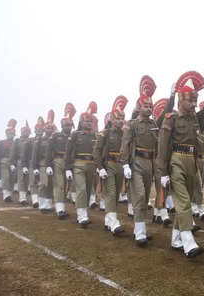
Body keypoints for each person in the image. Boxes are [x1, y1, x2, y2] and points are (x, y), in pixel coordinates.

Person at [157, 71, 204, 257]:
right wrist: (162, 172)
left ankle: (176, 239)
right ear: (180, 101)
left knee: (187, 201)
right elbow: (162, 147)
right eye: (190, 101)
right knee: (183, 202)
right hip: (176, 160)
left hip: (192, 162)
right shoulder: (171, 119)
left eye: (195, 101)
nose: (194, 105)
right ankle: (188, 241)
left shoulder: (195, 119)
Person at [121, 76, 159, 245]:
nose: (149, 108)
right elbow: (125, 144)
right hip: (136, 163)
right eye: (146, 105)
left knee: (144, 199)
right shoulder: (133, 124)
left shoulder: (154, 124)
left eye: (151, 105)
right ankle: (140, 233)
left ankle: (140, 229)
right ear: (139, 106)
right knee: (139, 195)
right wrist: (125, 164)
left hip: (149, 163)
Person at [94, 96, 128, 235]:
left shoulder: (125, 134)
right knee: (111, 192)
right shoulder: (105, 133)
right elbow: (96, 151)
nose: (120, 121)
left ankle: (108, 220)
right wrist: (100, 168)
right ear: (112, 119)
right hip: (109, 165)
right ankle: (114, 222)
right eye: (118, 119)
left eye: (122, 118)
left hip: (120, 165)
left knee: (115, 196)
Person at [65, 102, 98, 227]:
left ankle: (84, 212)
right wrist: (68, 168)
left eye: (90, 121)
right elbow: (68, 152)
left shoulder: (96, 135)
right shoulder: (75, 135)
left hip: (91, 165)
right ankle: (81, 215)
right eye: (86, 121)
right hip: (78, 165)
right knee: (81, 190)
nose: (88, 123)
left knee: (88, 190)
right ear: (81, 122)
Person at [46, 103, 76, 219]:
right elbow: (49, 151)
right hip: (58, 161)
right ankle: (60, 210)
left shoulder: (74, 136)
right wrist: (49, 164)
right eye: (65, 125)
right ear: (62, 126)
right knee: (59, 185)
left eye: (69, 125)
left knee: (67, 185)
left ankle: (62, 206)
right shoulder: (55, 136)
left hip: (70, 162)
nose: (67, 127)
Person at [0, 119, 17, 202]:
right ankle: (6, 195)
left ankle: (9, 195)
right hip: (4, 161)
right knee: (5, 177)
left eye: (12, 134)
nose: (11, 135)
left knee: (12, 179)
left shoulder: (16, 142)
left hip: (13, 162)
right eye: (9, 133)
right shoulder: (1, 142)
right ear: (6, 134)